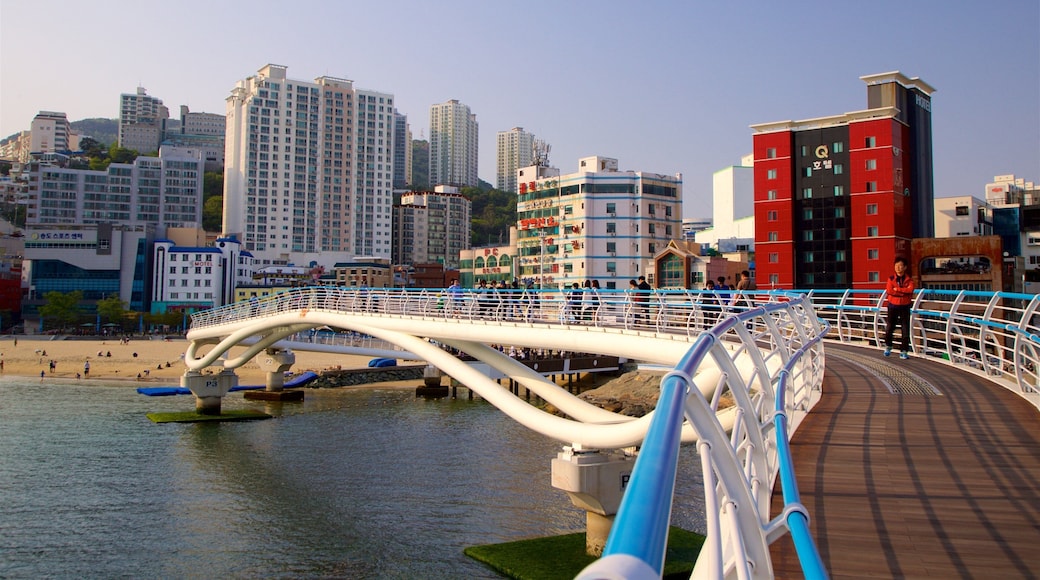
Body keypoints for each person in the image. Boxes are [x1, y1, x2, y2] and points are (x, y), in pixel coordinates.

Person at [884, 257, 915, 359]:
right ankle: (888, 346)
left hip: (905, 306)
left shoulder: (909, 280)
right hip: (893, 306)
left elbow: (910, 290)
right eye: (896, 265)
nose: (898, 268)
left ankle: (904, 351)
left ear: (905, 267)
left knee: (905, 329)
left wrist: (897, 290)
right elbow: (890, 291)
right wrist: (903, 292)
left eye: (900, 265)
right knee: (889, 328)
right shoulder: (891, 279)